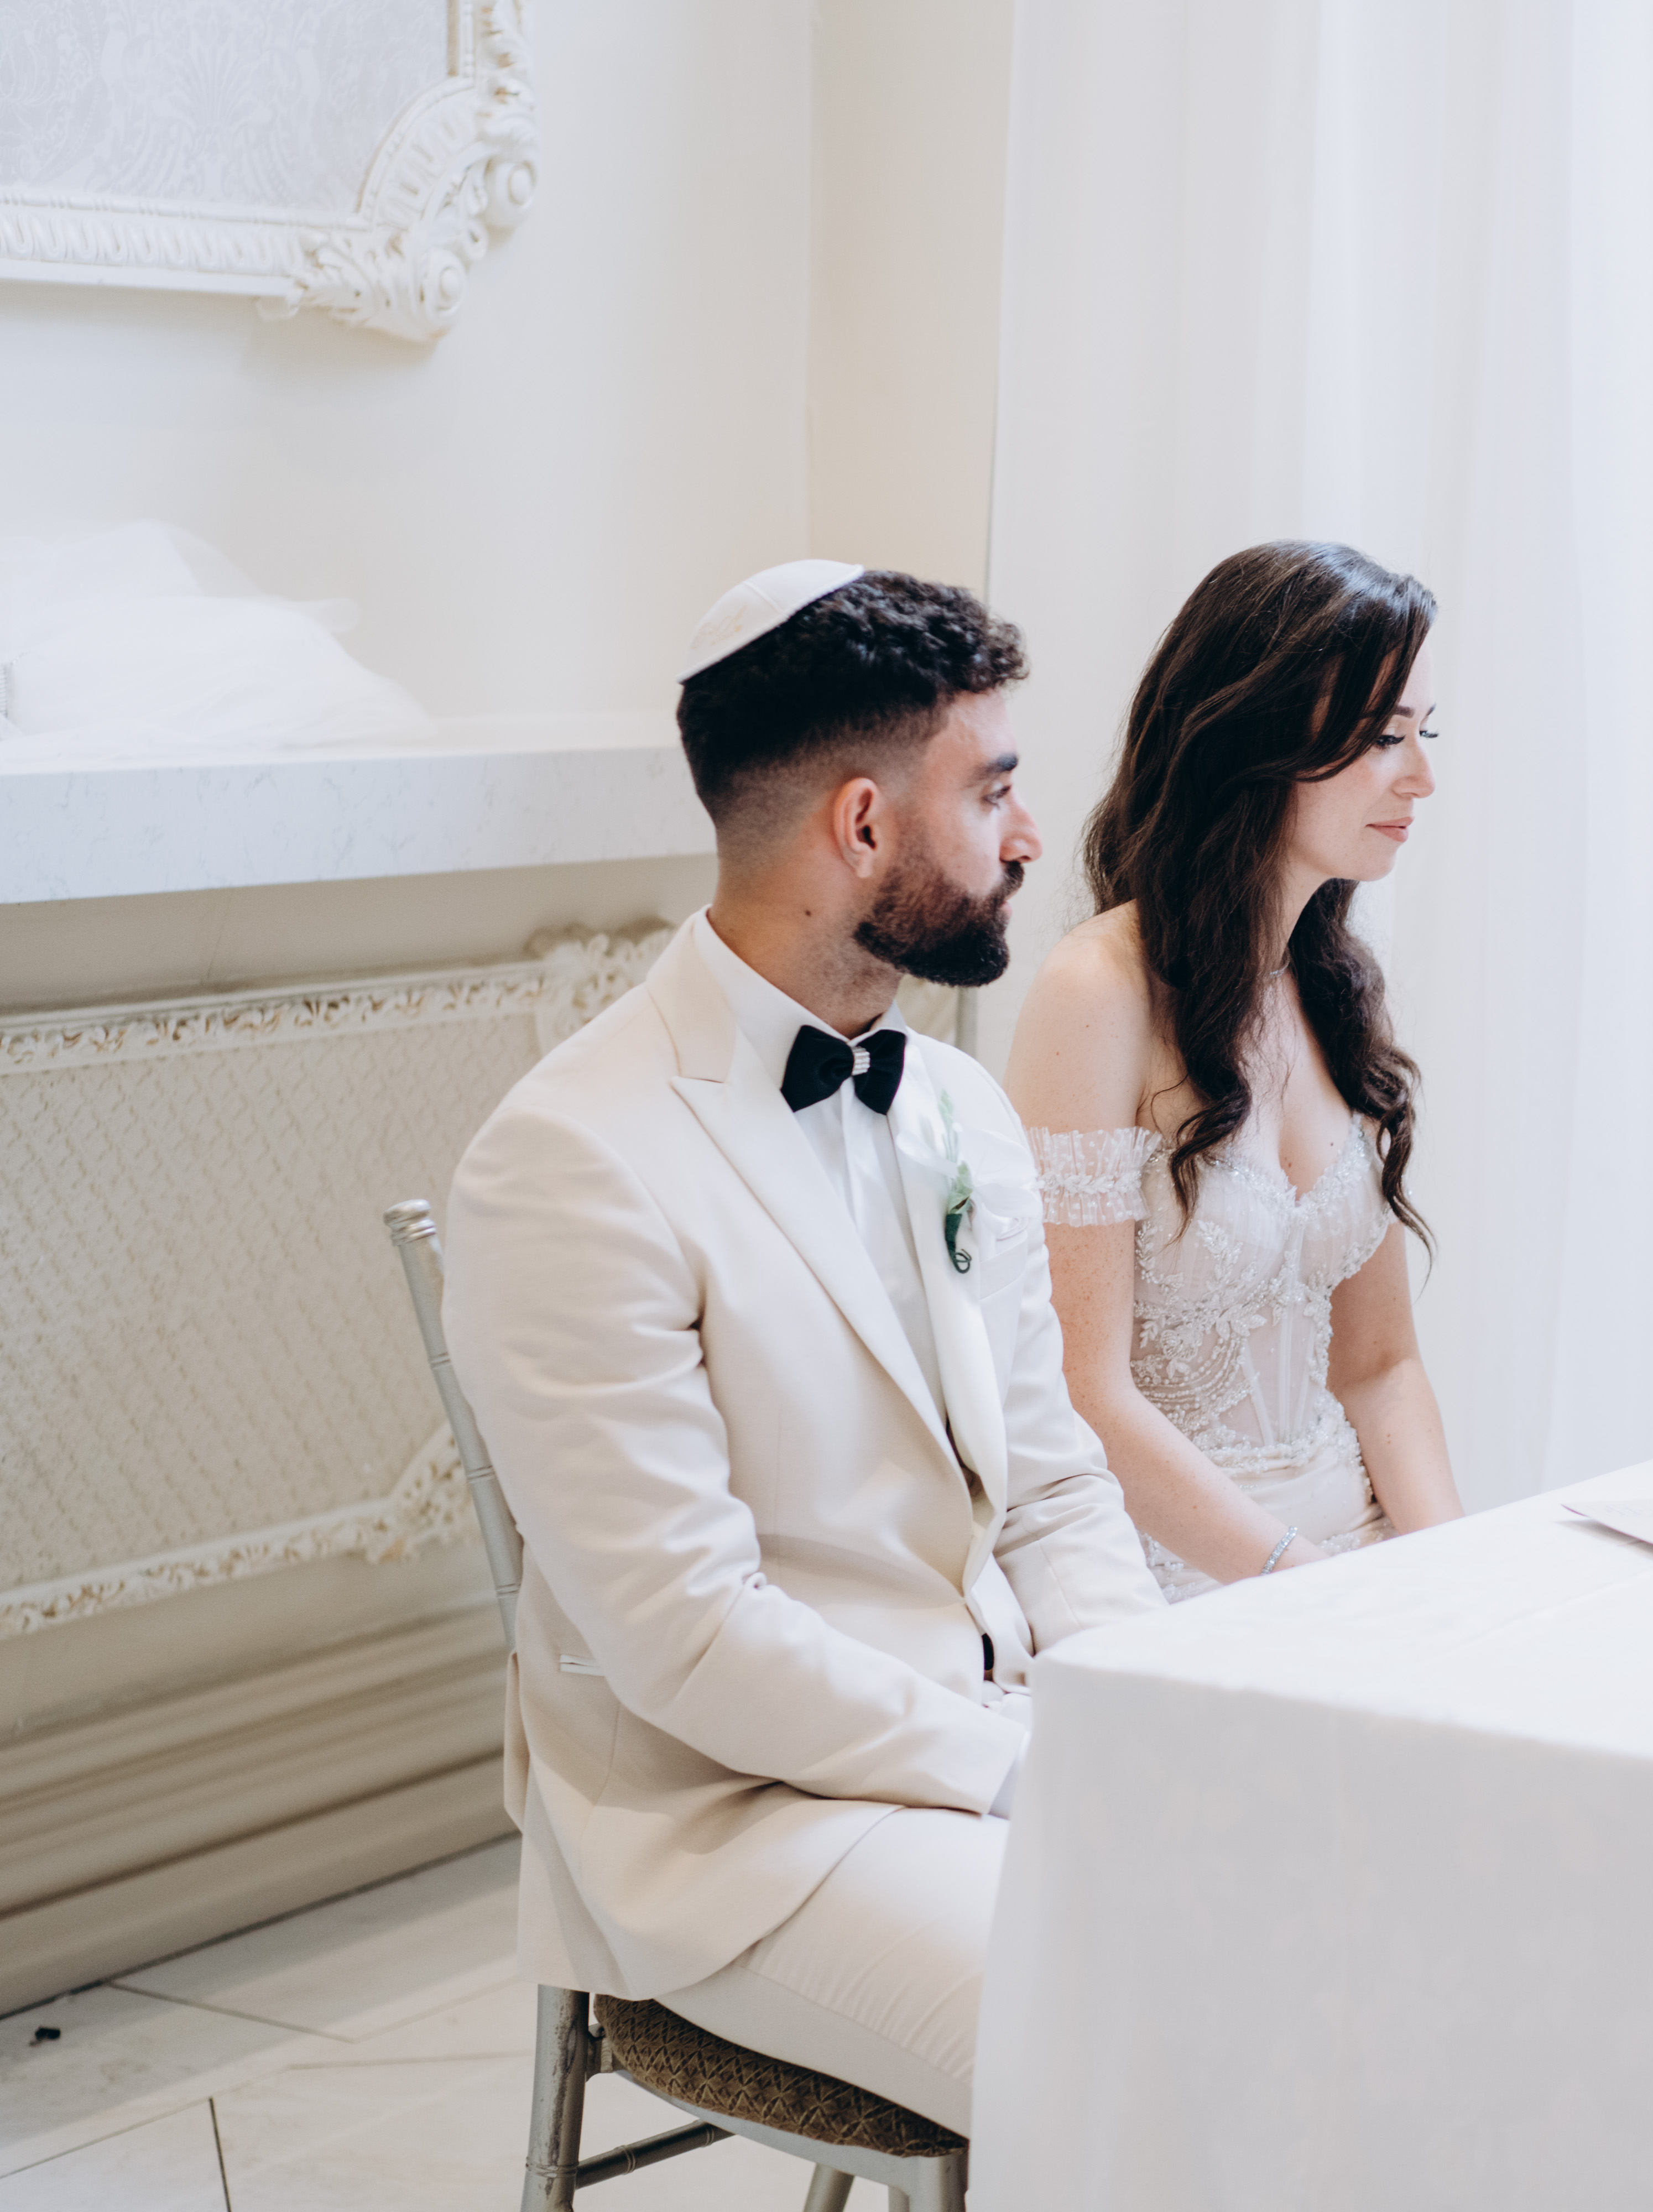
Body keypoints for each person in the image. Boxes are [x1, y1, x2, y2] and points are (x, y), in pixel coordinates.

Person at [441, 561, 1166, 2132]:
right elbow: (688, 1637)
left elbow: (1052, 1484)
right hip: (743, 1825)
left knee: (1334, 1930)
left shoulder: (959, 1103)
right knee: (1155, 2031)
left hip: (1008, 1737)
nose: (1030, 836)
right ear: (863, 825)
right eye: (994, 791)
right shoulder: (571, 1158)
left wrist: (1130, 1714)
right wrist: (1018, 1765)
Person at [1007, 541, 1462, 1598]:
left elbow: (1380, 1368)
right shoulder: (1096, 992)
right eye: (1385, 738)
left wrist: (1451, 1578)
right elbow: (1083, 1392)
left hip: (1353, 1553)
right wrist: (1308, 1589)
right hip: (1176, 1574)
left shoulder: (1339, 990)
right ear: (1254, 737)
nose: (1422, 777)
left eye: (1425, 733)